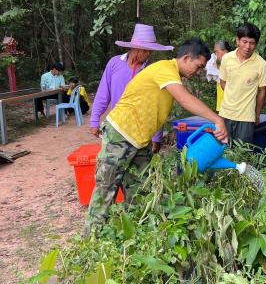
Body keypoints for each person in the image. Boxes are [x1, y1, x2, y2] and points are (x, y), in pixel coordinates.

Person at [84, 38, 228, 236]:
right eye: (199, 66)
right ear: (186, 58)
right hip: (121, 134)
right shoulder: (164, 69)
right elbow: (185, 99)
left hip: (139, 141)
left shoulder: (170, 77)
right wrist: (217, 120)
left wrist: (156, 140)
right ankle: (91, 239)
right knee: (106, 187)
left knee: (142, 189)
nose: (199, 71)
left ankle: (135, 234)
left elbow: (155, 109)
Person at [89, 23, 173, 152]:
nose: (149, 54)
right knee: (113, 169)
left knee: (140, 171)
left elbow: (156, 105)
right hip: (117, 127)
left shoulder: (152, 70)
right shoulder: (114, 63)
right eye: (147, 51)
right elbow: (103, 94)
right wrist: (94, 121)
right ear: (138, 49)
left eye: (151, 51)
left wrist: (156, 138)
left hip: (142, 132)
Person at [219, 24, 266, 144]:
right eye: (244, 41)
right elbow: (222, 81)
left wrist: (256, 114)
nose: (248, 46)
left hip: (246, 117)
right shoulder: (226, 58)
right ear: (237, 40)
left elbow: (263, 90)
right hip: (225, 114)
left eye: (252, 43)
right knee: (223, 152)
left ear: (256, 44)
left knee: (242, 153)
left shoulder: (261, 64)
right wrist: (232, 95)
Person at [205, 40, 233, 111]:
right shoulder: (220, 63)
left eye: (217, 51)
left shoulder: (233, 63)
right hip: (222, 104)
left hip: (231, 105)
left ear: (225, 51)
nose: (215, 54)